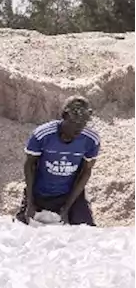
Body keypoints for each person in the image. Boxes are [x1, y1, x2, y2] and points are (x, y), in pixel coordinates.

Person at [16, 97, 100, 226]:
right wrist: (30, 202)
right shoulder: (42, 135)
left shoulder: (90, 140)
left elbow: (85, 172)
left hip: (69, 194)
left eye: (83, 123)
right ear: (64, 116)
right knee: (21, 229)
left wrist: (67, 208)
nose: (79, 128)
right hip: (40, 192)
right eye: (76, 122)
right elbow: (30, 166)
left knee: (87, 232)